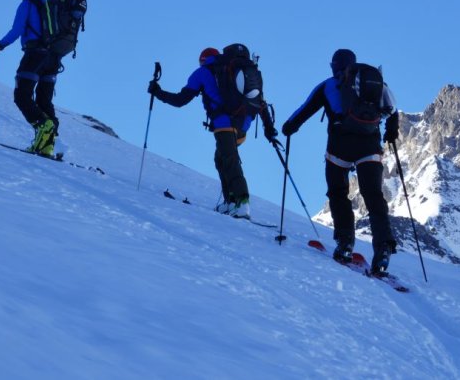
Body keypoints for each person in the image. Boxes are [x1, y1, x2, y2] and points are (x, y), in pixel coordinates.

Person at [281, 48, 400, 275]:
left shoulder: (327, 85)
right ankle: (383, 249)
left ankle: (345, 244)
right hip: (369, 146)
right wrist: (391, 132)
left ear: (334, 66)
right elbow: (392, 111)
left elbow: (304, 110)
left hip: (339, 148)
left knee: (337, 193)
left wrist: (289, 127)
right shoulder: (374, 83)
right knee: (374, 196)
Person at [148, 45, 278, 219]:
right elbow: (260, 102)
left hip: (223, 123)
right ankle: (230, 201)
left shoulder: (202, 72)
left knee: (229, 159)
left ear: (202, 60)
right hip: (243, 124)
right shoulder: (233, 71)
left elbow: (180, 100)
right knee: (221, 158)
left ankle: (242, 202)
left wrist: (158, 92)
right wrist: (269, 129)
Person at [0, 0, 59, 156]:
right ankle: (47, 146)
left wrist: (0, 45)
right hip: (52, 59)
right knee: (44, 101)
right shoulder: (49, 8)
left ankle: (43, 124)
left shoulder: (27, 4)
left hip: (34, 54)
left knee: (22, 96)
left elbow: (17, 29)